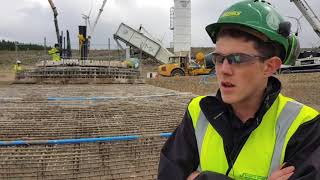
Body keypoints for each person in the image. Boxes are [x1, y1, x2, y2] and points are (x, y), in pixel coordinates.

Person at [158, 0, 320, 180]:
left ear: (270, 66)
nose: (224, 70)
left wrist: (199, 178)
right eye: (219, 58)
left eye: (237, 59)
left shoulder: (303, 125)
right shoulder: (198, 112)